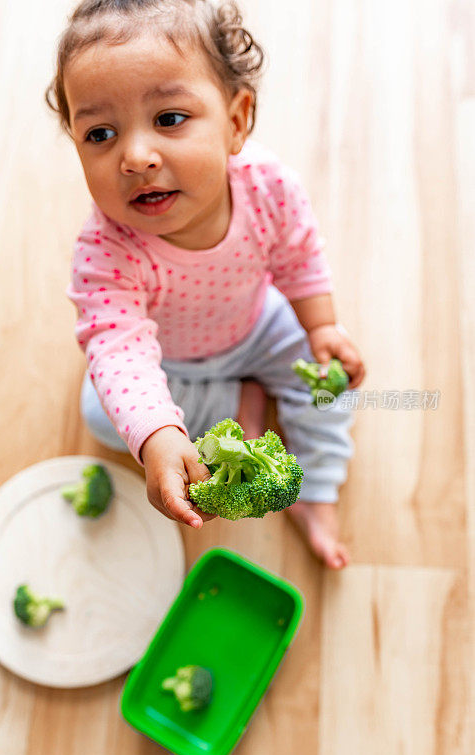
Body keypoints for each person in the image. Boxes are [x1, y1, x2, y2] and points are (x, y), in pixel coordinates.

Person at [46, 0, 366, 568]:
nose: (137, 157)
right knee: (102, 412)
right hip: (170, 361)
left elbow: (299, 257)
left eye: (169, 119)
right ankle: (236, 404)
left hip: (258, 324)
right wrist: (159, 438)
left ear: (237, 121)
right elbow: (120, 350)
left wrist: (321, 327)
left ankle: (317, 487)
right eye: (100, 133)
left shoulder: (268, 186)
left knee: (333, 382)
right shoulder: (105, 251)